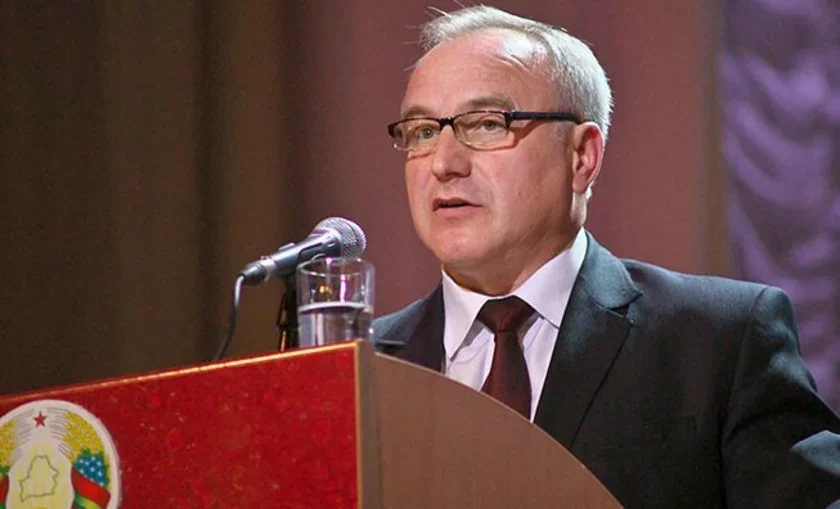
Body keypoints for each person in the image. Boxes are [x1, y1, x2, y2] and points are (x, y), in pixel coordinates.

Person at [373, 5, 840, 508]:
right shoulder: (363, 368)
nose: (444, 163)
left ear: (582, 157)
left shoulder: (718, 341)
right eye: (422, 132)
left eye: (487, 124)